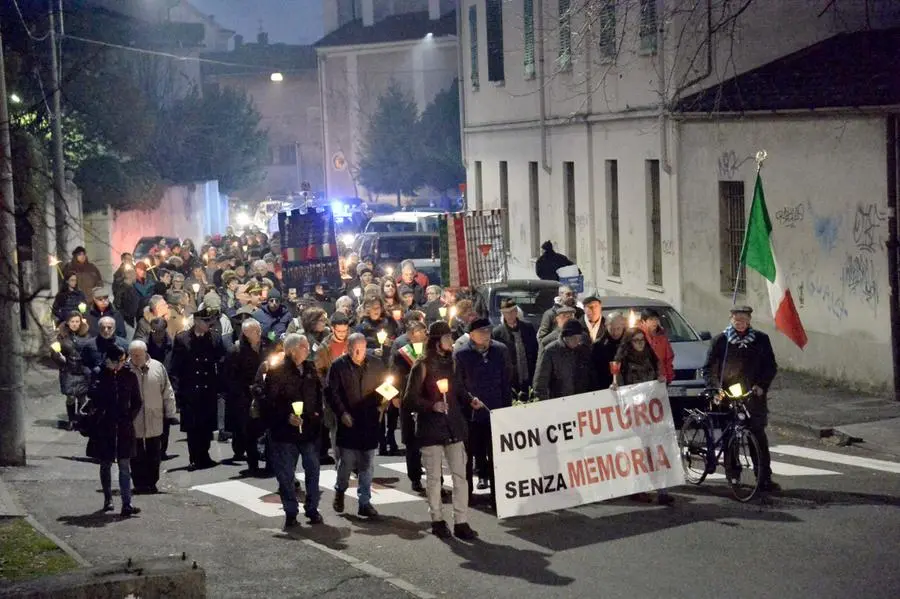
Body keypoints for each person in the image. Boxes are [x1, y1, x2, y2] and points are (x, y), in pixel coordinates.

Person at [403, 321, 478, 540]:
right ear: (436, 341)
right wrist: (431, 405)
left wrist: (470, 399)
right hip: (430, 428)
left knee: (460, 476)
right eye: (447, 338)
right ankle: (437, 519)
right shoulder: (422, 365)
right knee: (434, 478)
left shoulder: (453, 363)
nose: (451, 341)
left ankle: (461, 521)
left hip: (453, 425)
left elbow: (459, 389)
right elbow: (409, 399)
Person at [703, 306, 779, 493]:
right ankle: (733, 475)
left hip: (753, 396)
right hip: (728, 396)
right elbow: (708, 368)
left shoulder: (761, 340)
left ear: (750, 320)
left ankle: (764, 477)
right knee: (731, 437)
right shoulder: (721, 341)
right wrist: (715, 389)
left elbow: (770, 366)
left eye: (744, 319)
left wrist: (761, 385)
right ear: (731, 319)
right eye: (736, 319)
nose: (740, 322)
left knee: (758, 437)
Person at [260, 334, 324, 530]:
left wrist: (316, 415)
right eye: (304, 347)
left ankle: (312, 509)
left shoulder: (310, 369)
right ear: (293, 350)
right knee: (286, 474)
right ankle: (290, 512)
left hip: (309, 430)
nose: (307, 350)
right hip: (285, 433)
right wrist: (286, 416)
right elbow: (269, 402)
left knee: (313, 470)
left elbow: (318, 394)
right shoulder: (277, 372)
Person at [327, 333, 387, 520]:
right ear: (348, 348)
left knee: (367, 465)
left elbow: (386, 385)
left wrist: (384, 400)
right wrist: (342, 413)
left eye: (360, 349)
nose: (357, 353)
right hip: (349, 422)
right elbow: (332, 392)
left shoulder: (376, 364)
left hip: (369, 421)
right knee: (346, 463)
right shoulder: (339, 366)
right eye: (353, 350)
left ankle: (364, 502)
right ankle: (340, 490)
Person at [612, 327, 674, 505]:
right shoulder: (622, 361)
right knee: (640, 451)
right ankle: (639, 488)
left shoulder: (651, 357)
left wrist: (661, 379)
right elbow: (619, 386)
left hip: (651, 410)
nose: (640, 344)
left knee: (658, 448)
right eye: (636, 340)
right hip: (635, 412)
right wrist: (616, 387)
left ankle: (662, 490)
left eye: (642, 340)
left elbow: (658, 375)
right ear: (629, 343)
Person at [455, 318, 511, 507]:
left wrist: (506, 410)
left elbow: (505, 381)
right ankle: (467, 495)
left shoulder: (500, 350)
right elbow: (458, 384)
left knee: (496, 457)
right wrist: (469, 399)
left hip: (495, 412)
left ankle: (498, 496)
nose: (486, 335)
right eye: (481, 332)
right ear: (471, 335)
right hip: (471, 414)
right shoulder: (462, 354)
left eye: (488, 331)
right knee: (467, 457)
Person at [83, 344, 143, 517]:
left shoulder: (129, 376)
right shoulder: (99, 374)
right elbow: (92, 396)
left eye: (124, 360)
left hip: (124, 426)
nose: (123, 364)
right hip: (105, 425)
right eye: (121, 360)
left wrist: (129, 417)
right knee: (105, 463)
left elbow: (137, 401)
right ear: (110, 360)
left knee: (125, 464)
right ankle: (108, 499)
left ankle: (127, 503)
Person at [169, 306, 227, 470]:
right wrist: (177, 391)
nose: (208, 324)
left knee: (207, 425)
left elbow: (221, 361)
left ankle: (205, 455)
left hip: (208, 388)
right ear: (196, 321)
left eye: (210, 320)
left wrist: (220, 385)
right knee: (193, 427)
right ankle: (194, 457)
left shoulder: (214, 338)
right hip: (190, 389)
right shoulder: (183, 339)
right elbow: (176, 366)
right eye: (205, 320)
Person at [128, 340, 177, 495]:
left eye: (139, 355)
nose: (136, 358)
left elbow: (167, 391)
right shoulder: (126, 369)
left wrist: (170, 412)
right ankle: (139, 483)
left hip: (154, 416)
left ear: (145, 353)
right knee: (135, 455)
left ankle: (151, 482)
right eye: (133, 355)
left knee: (154, 453)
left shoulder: (157, 367)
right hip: (134, 419)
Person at [227, 318, 272, 473]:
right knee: (250, 432)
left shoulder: (268, 345)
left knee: (268, 430)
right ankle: (253, 464)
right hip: (247, 397)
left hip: (266, 394)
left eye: (259, 330)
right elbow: (232, 377)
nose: (259, 333)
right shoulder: (237, 350)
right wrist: (247, 390)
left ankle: (270, 464)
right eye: (254, 331)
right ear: (246, 333)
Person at [390, 319, 428, 491]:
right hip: (408, 400)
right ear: (411, 335)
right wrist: (393, 396)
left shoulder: (430, 352)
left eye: (425, 332)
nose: (424, 335)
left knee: (430, 440)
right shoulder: (401, 354)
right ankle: (415, 477)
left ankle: (437, 480)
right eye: (420, 332)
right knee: (412, 441)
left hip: (428, 399)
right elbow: (394, 376)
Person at [533, 320, 599, 400]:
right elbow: (540, 383)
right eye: (574, 338)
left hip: (582, 400)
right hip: (559, 401)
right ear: (565, 336)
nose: (577, 341)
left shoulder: (583, 350)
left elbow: (591, 376)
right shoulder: (550, 352)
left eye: (579, 338)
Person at [50, 312, 92, 429]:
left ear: (81, 322)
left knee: (82, 397)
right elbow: (54, 353)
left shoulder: (86, 336)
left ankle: (81, 420)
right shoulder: (62, 336)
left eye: (77, 321)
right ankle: (71, 420)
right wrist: (59, 357)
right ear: (68, 322)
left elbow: (90, 351)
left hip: (82, 371)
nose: (75, 324)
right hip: (68, 371)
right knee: (71, 397)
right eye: (72, 321)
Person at [492, 299, 538, 397]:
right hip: (511, 380)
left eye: (512, 312)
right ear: (503, 314)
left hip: (529, 375)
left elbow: (535, 351)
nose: (509, 315)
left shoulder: (528, 327)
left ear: (516, 312)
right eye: (506, 313)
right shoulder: (497, 333)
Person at [593, 311, 627, 390]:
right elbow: (595, 372)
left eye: (618, 329)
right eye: (612, 329)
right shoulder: (598, 346)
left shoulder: (629, 342)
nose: (615, 333)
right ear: (606, 326)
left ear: (623, 326)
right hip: (607, 388)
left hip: (628, 387)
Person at [641, 308, 674, 385]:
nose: (654, 322)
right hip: (644, 380)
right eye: (651, 319)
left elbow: (668, 359)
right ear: (643, 321)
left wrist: (668, 377)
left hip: (661, 379)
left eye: (656, 319)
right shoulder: (639, 337)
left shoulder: (662, 338)